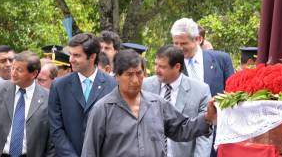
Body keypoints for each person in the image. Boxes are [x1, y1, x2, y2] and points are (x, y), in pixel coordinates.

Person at [82, 49, 217, 157]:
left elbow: (181, 129)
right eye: (129, 74)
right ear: (117, 76)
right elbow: (90, 151)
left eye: (139, 73)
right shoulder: (103, 109)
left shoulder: (157, 104)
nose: (135, 80)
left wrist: (207, 118)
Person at [0, 51, 55, 157]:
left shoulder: (48, 98)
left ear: (34, 74)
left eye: (19, 70)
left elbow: (52, 139)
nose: (13, 73)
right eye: (13, 68)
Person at [49, 33, 117, 156]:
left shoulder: (112, 85)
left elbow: (116, 127)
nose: (71, 59)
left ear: (92, 57)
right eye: (70, 54)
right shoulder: (59, 86)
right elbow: (56, 129)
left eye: (77, 55)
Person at [142, 45, 212, 156]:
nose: (157, 70)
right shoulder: (144, 86)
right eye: (156, 65)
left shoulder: (200, 91)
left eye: (162, 67)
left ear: (177, 67)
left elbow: (203, 134)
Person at [171, 18, 234, 97]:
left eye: (184, 43)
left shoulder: (222, 60)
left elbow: (232, 95)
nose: (179, 48)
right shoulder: (172, 65)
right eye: (176, 43)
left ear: (198, 39)